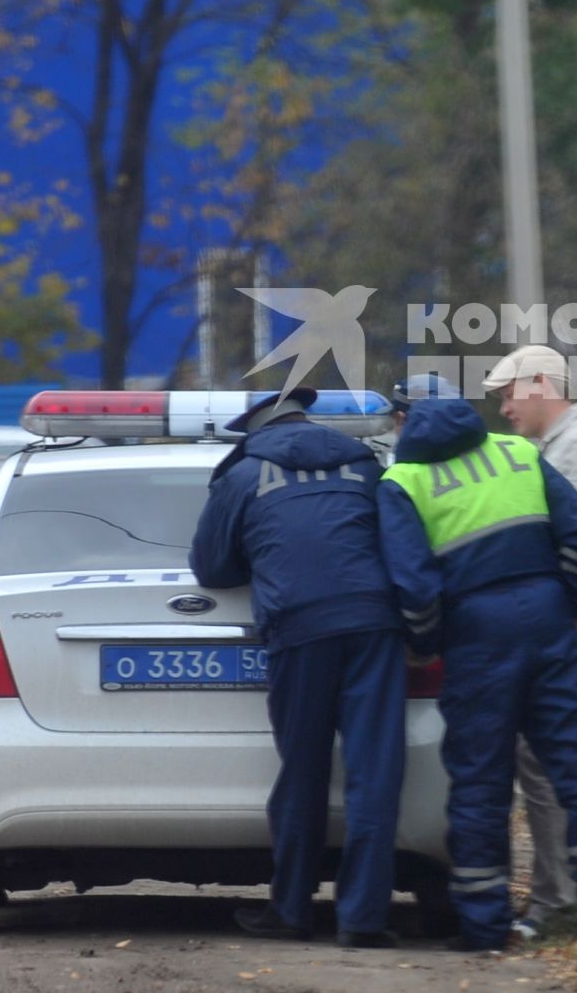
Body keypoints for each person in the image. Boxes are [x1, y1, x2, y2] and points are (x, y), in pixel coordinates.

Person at [377, 390, 577, 952]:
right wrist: (576, 605)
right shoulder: (517, 451)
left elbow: (414, 590)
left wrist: (432, 643)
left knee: (480, 782)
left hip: (477, 637)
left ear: (404, 424)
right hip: (549, 623)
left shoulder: (403, 482)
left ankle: (485, 925)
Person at [190, 386, 404, 948]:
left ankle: (290, 910)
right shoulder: (366, 465)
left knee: (303, 770)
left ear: (257, 430)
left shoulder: (243, 476)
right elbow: (398, 541)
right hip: (373, 623)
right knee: (375, 774)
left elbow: (211, 569)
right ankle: (363, 919)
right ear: (304, 418)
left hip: (299, 627)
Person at [482, 344, 577, 942]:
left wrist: (552, 622)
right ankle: (560, 894)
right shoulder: (558, 448)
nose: (505, 407)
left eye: (510, 393)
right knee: (542, 762)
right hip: (562, 629)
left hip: (573, 632)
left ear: (542, 383)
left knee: (547, 763)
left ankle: (559, 899)